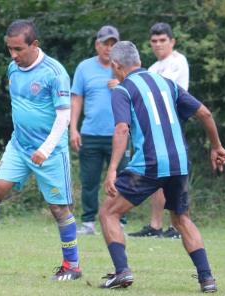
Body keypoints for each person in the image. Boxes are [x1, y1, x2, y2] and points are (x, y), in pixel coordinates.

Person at [98, 41, 225, 292]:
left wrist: (112, 168)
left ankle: (122, 272)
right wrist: (216, 146)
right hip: (179, 161)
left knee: (109, 212)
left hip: (149, 163)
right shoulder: (166, 83)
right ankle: (207, 278)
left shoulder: (122, 90)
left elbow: (122, 128)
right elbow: (205, 114)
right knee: (181, 218)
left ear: (116, 66)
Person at [0, 19, 82, 281]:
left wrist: (45, 148)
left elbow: (63, 118)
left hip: (50, 153)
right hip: (19, 146)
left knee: (59, 209)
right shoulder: (13, 69)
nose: (13, 55)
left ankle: (72, 266)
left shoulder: (55, 73)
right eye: (10, 49)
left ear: (35, 45)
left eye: (18, 49)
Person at [129, 22, 189, 239]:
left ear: (172, 42)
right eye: (154, 41)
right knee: (157, 173)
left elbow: (160, 90)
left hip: (173, 124)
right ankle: (155, 226)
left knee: (174, 173)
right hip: (155, 126)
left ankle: (177, 225)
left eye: (163, 40)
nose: (158, 45)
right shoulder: (153, 68)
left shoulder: (177, 61)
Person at [70, 25, 129, 235]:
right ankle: (88, 223)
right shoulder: (84, 68)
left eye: (113, 44)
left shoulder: (124, 67)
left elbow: (136, 95)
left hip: (119, 134)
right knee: (89, 181)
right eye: (106, 43)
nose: (109, 48)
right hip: (91, 134)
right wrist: (73, 129)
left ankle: (120, 220)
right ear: (97, 45)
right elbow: (76, 98)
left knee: (122, 180)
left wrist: (121, 84)